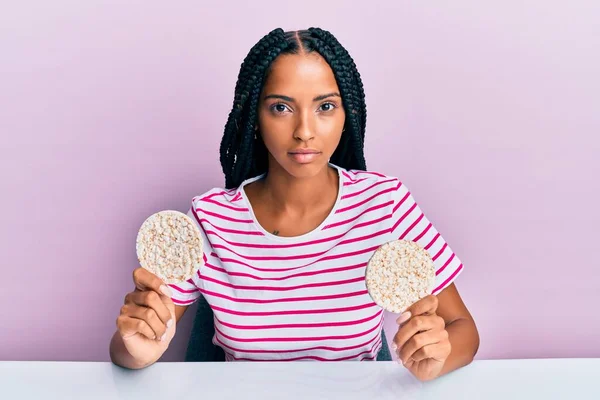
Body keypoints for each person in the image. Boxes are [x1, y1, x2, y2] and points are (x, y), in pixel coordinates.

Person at [109, 27, 479, 382]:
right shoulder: (210, 220)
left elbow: (464, 330)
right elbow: (133, 348)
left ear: (347, 112)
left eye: (325, 107)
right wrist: (136, 349)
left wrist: (438, 357)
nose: (304, 130)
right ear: (255, 116)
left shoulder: (385, 205)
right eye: (282, 108)